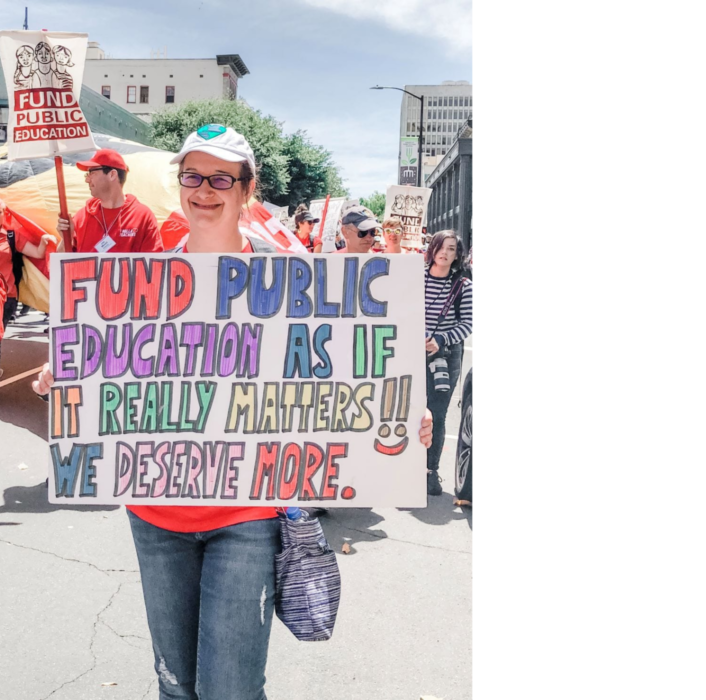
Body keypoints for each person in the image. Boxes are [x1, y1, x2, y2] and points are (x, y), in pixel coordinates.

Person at [33, 125, 434, 699]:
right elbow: (112, 379)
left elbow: (340, 381)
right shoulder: (138, 279)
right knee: (176, 686)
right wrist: (65, 382)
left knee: (231, 690)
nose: (204, 189)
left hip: (247, 515)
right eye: (192, 175)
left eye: (221, 177)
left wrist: (396, 415)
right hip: (155, 514)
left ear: (247, 190)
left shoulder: (297, 279)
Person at [0, 195, 57, 408]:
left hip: (4, 297)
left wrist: (44, 242)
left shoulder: (11, 237)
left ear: (5, 214)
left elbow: (36, 252)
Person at [423, 230, 473, 496]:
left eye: (451, 249)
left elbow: (468, 324)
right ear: (432, 248)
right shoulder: (414, 278)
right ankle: (401, 467)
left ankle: (430, 471)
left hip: (445, 355)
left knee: (437, 414)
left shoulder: (463, 286)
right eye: (441, 246)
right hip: (407, 352)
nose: (445, 252)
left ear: (457, 254)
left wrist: (441, 339)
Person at [55, 148, 164, 255]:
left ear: (112, 175)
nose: (87, 180)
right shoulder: (81, 217)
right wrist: (66, 240)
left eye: (91, 173)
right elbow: (63, 265)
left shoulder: (143, 217)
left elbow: (154, 265)